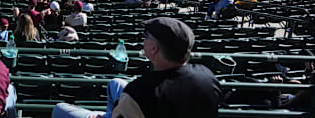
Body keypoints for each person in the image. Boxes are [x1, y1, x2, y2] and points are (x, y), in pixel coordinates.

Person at [52, 17, 221, 118]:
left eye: (145, 37)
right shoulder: (208, 77)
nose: (143, 40)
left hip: (142, 108)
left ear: (154, 49)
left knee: (59, 109)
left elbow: (144, 99)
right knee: (116, 83)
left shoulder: (140, 91)